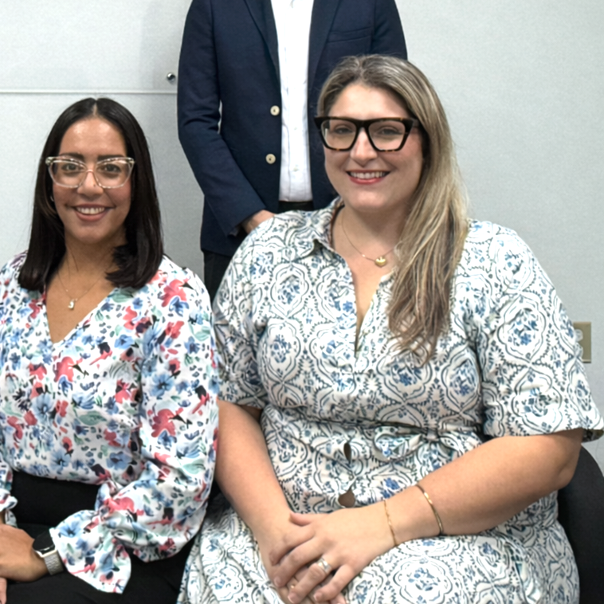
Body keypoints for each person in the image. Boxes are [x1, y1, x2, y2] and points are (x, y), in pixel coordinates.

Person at [181, 55, 603, 604]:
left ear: (427, 140)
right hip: (281, 529)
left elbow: (549, 446)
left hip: (455, 541)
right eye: (342, 130)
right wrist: (277, 535)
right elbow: (231, 403)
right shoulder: (267, 252)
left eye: (386, 131)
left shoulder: (495, 261)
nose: (361, 152)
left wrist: (376, 526)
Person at [0, 98, 218, 604]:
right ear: (50, 181)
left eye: (111, 168)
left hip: (123, 541)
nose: (89, 186)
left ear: (138, 182)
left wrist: (44, 553)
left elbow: (182, 483)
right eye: (70, 167)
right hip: (10, 515)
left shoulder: (173, 299)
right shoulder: (13, 285)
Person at [176, 0, 407, 298]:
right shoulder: (214, 2)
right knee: (240, 368)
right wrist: (253, 219)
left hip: (356, 227)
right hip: (242, 235)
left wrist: (361, 210)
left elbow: (395, 115)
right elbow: (196, 122)